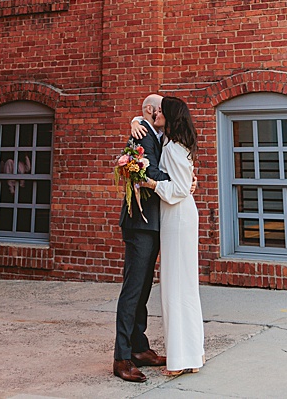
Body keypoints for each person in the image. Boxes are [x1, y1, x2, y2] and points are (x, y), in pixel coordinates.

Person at [138, 96, 205, 376]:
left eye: (161, 110)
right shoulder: (173, 142)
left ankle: (180, 359)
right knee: (183, 286)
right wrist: (135, 120)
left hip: (177, 216)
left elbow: (178, 189)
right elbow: (144, 120)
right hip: (177, 216)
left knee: (175, 288)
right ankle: (193, 354)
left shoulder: (174, 148)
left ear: (170, 116)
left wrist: (151, 183)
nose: (156, 113)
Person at [113, 93, 169, 382]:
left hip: (152, 224)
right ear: (149, 110)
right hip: (140, 224)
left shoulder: (152, 132)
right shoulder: (143, 133)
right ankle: (121, 358)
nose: (162, 114)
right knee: (133, 290)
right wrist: (180, 181)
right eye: (159, 110)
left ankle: (139, 348)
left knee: (144, 288)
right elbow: (152, 171)